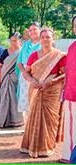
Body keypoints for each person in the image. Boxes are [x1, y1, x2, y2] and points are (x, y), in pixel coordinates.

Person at [20, 28, 67, 158]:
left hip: (52, 92)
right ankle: (31, 145)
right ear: (40, 39)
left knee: (49, 120)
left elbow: (65, 75)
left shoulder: (59, 56)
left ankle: (46, 147)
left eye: (48, 37)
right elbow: (26, 73)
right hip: (35, 90)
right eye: (43, 37)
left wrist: (50, 82)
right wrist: (32, 80)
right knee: (33, 117)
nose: (45, 39)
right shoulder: (34, 55)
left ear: (53, 39)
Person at [0, 32, 24, 127]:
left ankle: (15, 120)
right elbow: (0, 66)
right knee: (3, 98)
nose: (13, 42)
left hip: (18, 79)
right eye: (11, 40)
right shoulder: (5, 51)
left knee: (15, 99)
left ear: (20, 41)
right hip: (6, 78)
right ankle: (0, 118)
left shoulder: (23, 52)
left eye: (15, 40)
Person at [16, 22, 41, 120]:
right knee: (25, 101)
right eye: (30, 30)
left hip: (37, 76)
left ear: (39, 30)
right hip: (24, 76)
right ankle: (27, 126)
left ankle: (35, 126)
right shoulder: (26, 45)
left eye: (35, 29)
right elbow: (19, 62)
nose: (32, 32)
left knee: (35, 101)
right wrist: (25, 73)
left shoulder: (43, 44)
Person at [60, 16, 76, 164]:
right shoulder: (71, 47)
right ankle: (69, 156)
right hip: (71, 94)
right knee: (71, 127)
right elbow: (68, 70)